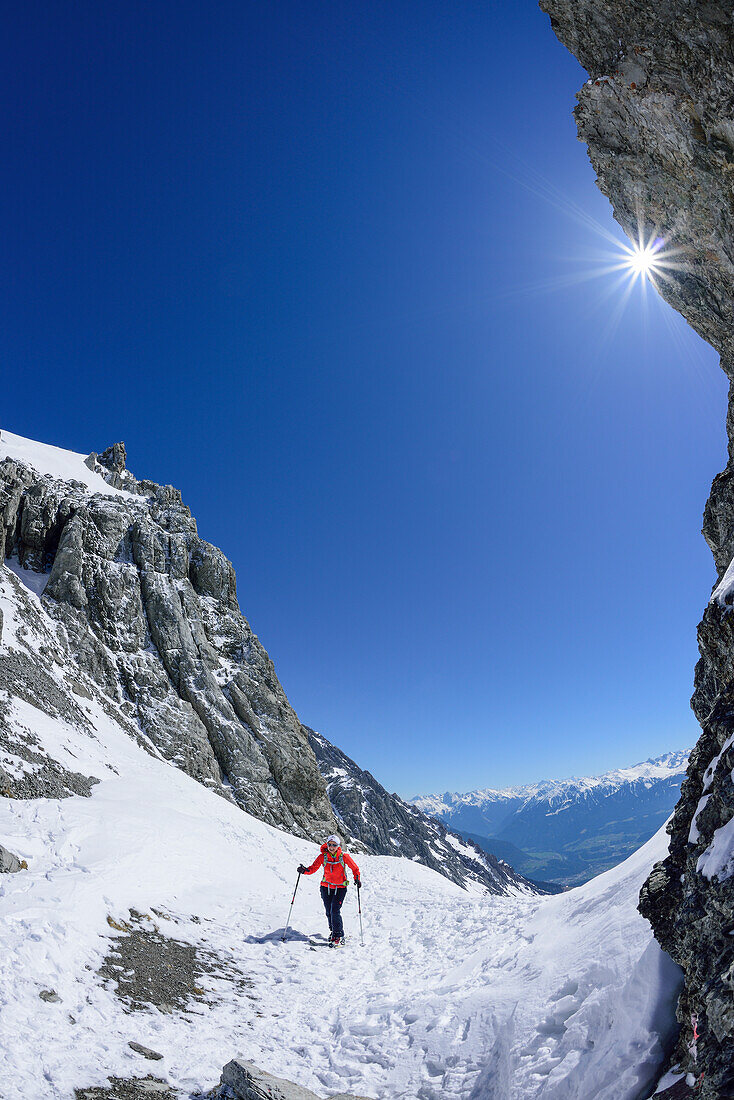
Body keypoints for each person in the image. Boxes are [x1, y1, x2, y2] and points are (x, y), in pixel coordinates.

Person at [298, 834, 361, 946]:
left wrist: (357, 878)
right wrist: (304, 871)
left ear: (338, 846)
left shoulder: (344, 857)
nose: (331, 847)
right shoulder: (323, 857)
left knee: (335, 910)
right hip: (325, 887)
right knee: (328, 912)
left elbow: (355, 868)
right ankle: (333, 932)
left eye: (334, 845)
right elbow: (313, 868)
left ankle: (339, 935)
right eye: (329, 844)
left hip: (340, 888)